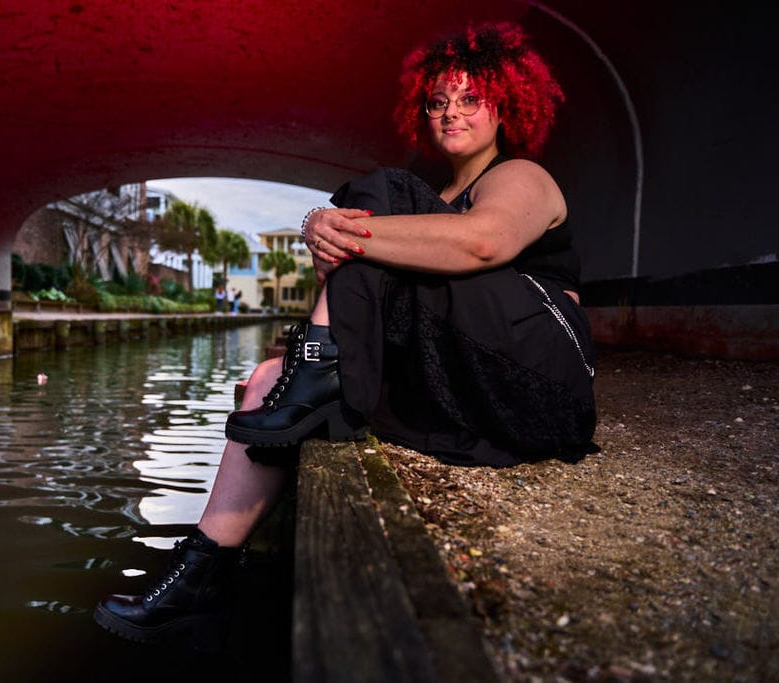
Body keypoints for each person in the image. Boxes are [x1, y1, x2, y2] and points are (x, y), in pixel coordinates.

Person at [94, 20, 597, 646]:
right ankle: (202, 571)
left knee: (381, 194)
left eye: (470, 99)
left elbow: (484, 240)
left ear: (508, 105)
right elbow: (357, 282)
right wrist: (330, 238)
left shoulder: (521, 176)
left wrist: (330, 224)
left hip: (542, 379)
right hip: (471, 371)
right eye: (437, 101)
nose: (451, 114)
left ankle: (318, 368)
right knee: (264, 381)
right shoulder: (430, 196)